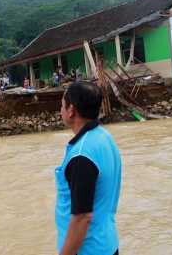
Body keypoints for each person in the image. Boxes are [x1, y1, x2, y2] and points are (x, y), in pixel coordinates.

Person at [56, 81, 122, 255]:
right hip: (107, 243)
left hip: (88, 249)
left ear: (72, 111)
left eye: (62, 105)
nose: (60, 110)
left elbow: (82, 217)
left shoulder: (81, 156)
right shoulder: (104, 137)